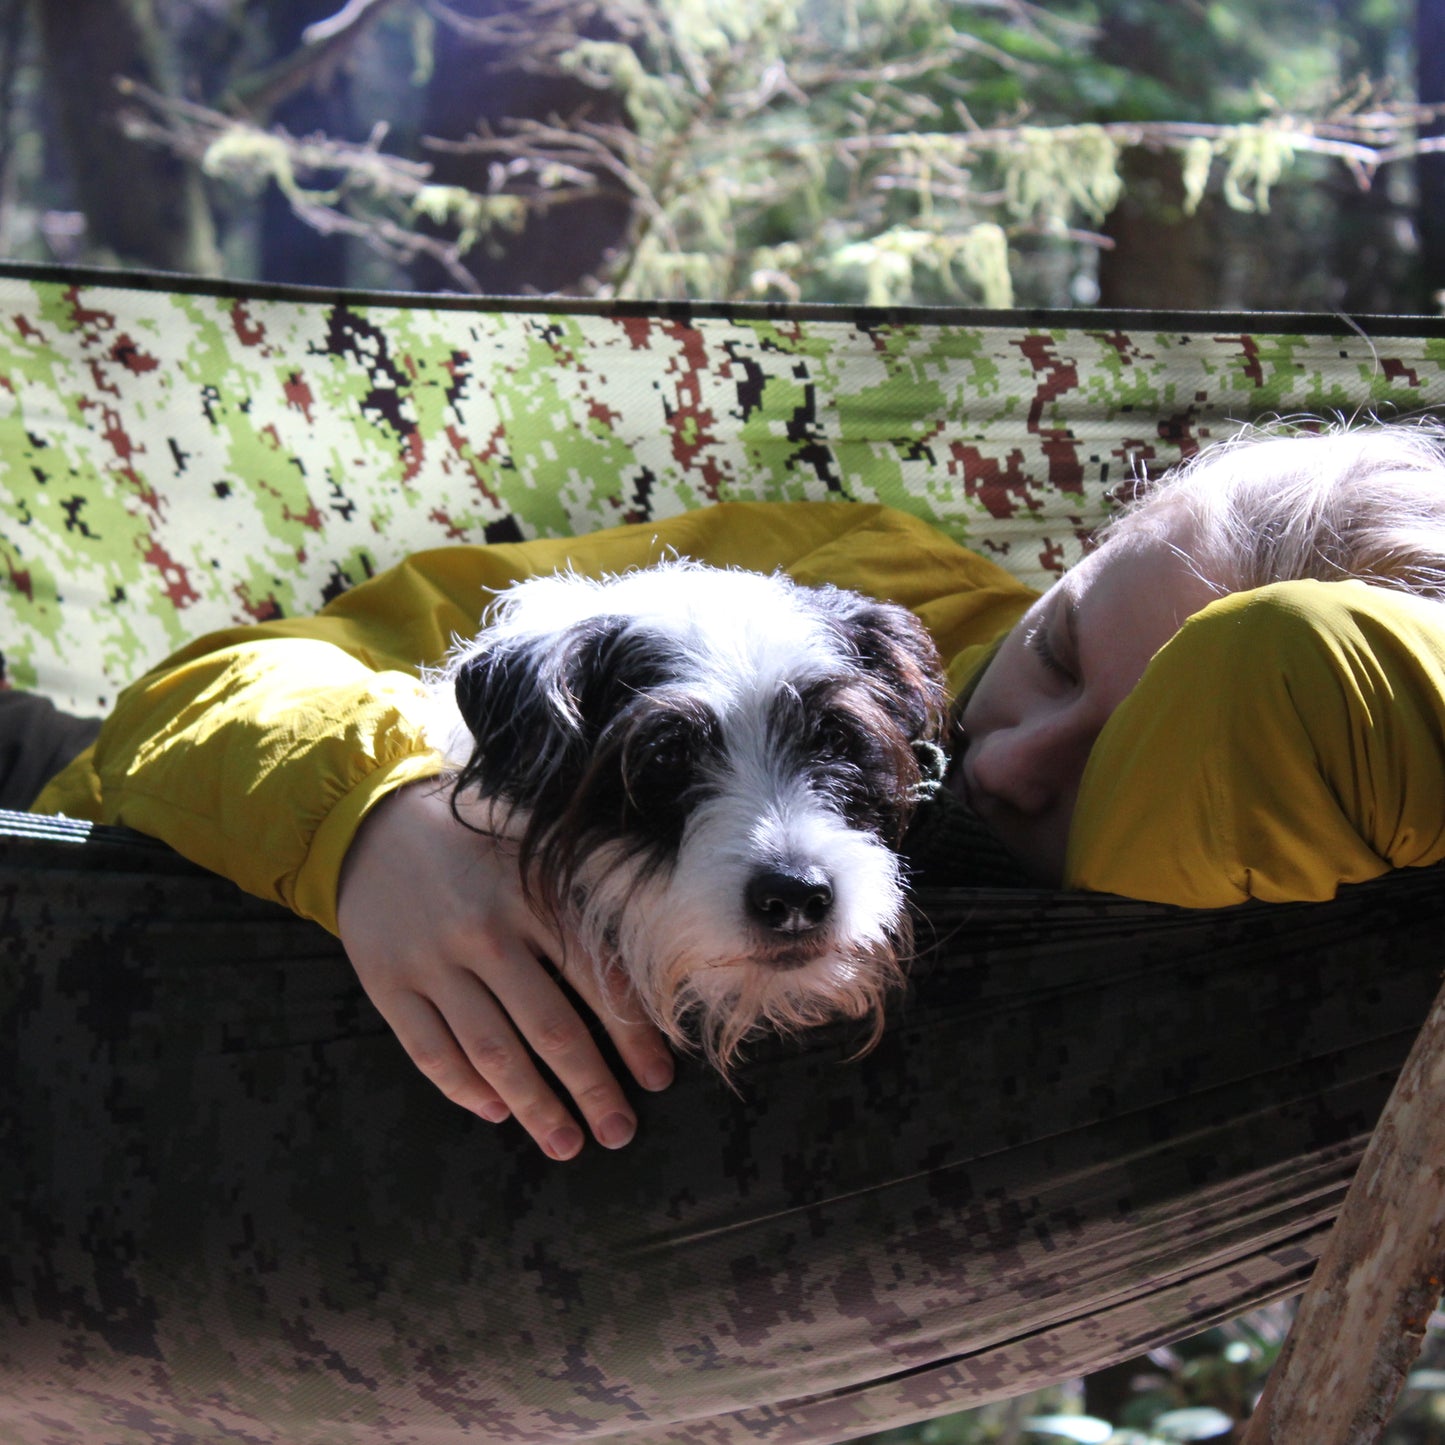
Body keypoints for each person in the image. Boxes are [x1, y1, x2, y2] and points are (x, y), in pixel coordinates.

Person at [27, 419, 1445, 1159]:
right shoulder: (851, 574)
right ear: (1079, 549)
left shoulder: (1195, 868)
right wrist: (376, 816)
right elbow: (203, 691)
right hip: (65, 835)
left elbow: (1308, 702)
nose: (1011, 755)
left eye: (1122, 747)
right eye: (1060, 643)